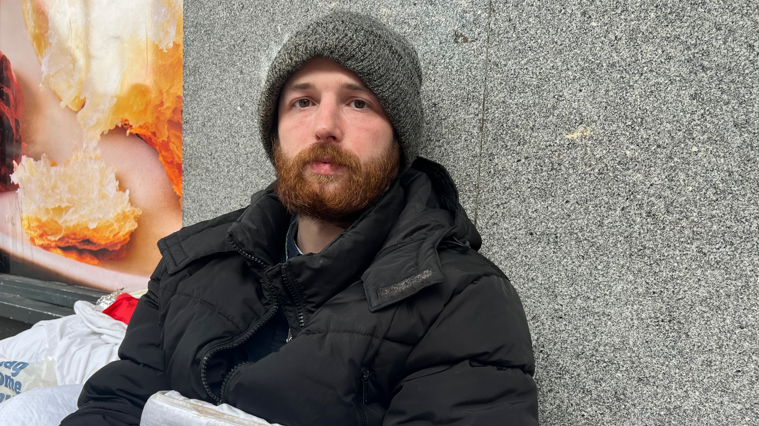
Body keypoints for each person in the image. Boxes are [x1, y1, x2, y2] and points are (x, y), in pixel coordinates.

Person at [61, 11, 538, 426]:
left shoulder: (461, 303)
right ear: (276, 135)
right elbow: (119, 400)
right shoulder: (191, 265)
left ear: (398, 142)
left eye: (358, 102)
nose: (325, 125)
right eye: (303, 101)